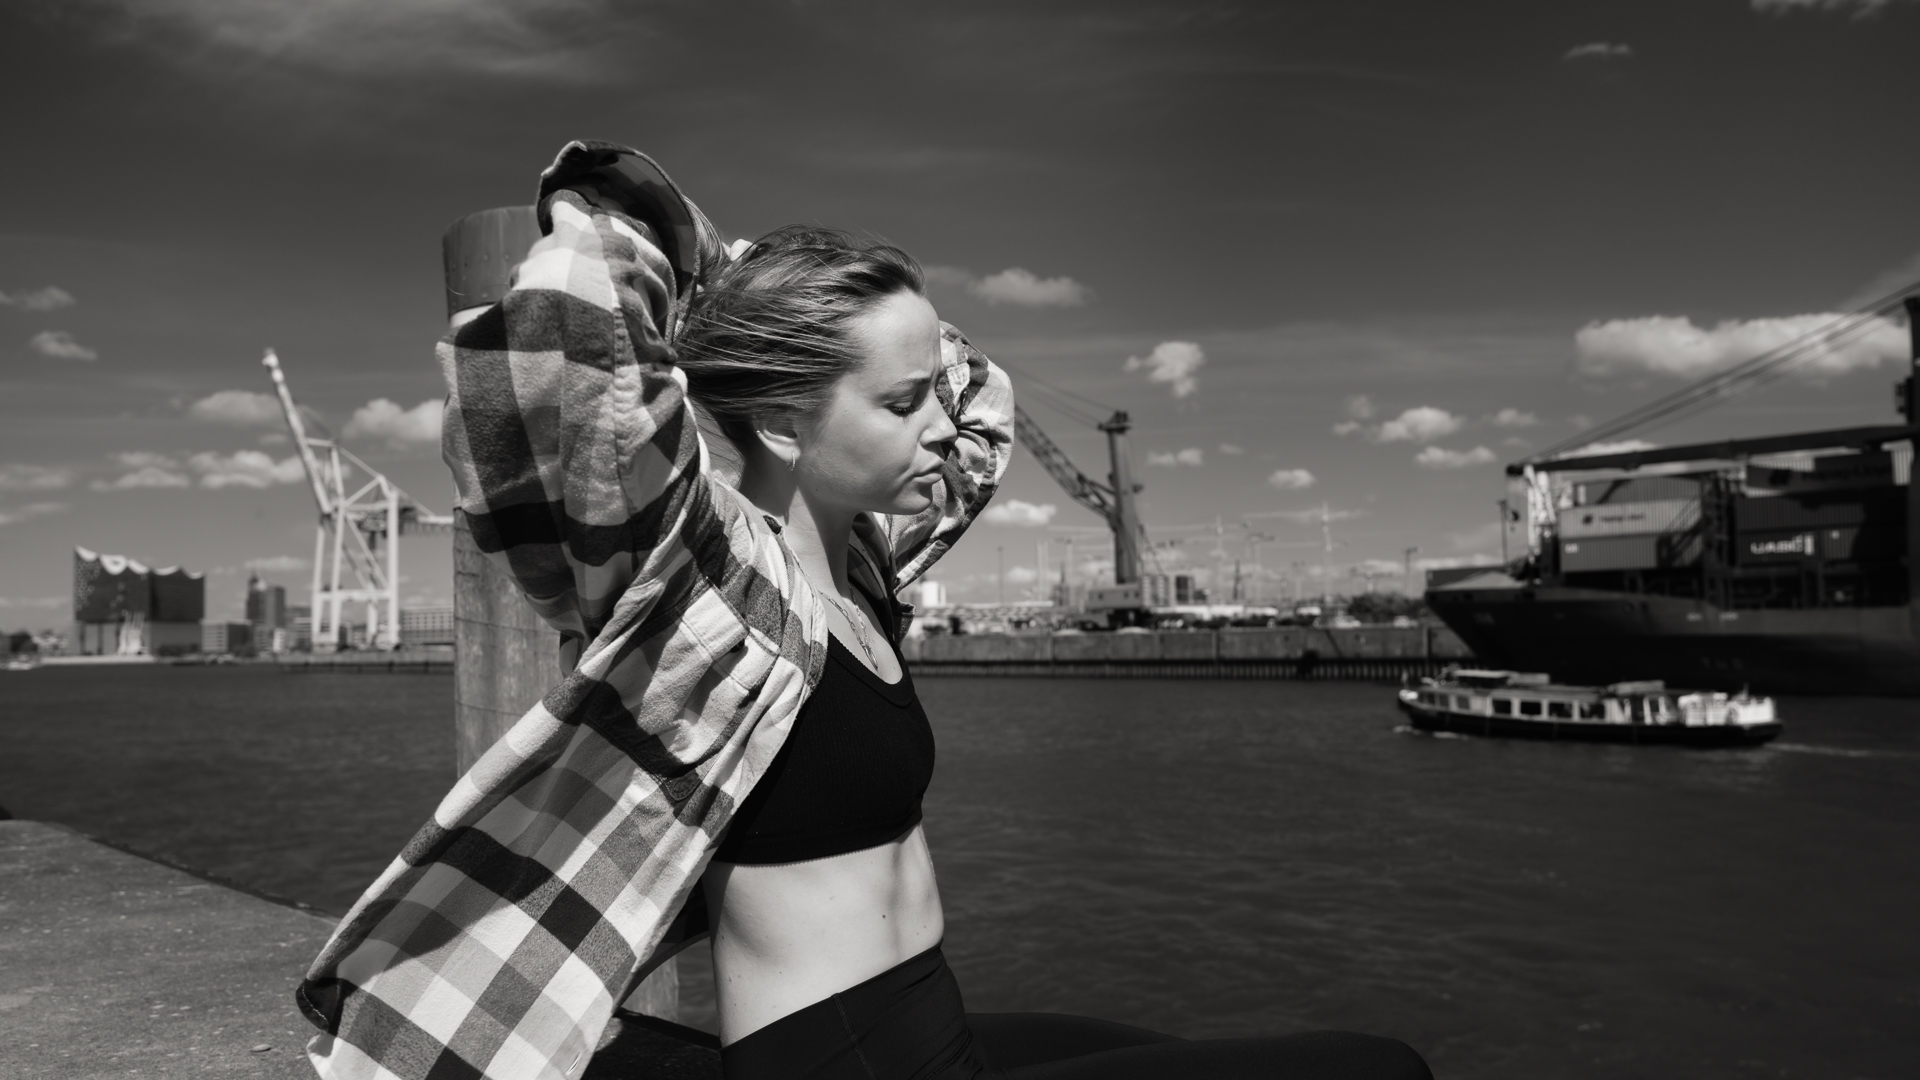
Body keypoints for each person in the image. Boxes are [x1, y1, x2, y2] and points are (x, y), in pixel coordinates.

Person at [298, 141, 1430, 1080]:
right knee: (1376, 1066)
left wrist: (830, 312)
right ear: (781, 424)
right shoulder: (700, 585)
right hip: (835, 1058)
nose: (940, 425)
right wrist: (738, 280)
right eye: (900, 403)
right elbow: (564, 334)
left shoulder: (867, 568)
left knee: (1159, 1047)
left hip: (923, 1016)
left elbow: (985, 409)